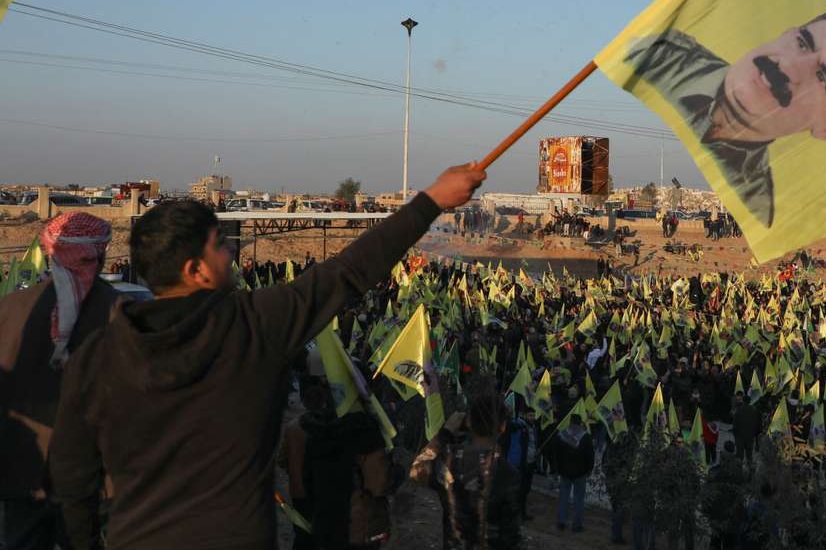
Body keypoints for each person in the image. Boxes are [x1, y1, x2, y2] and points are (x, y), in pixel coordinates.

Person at [48, 163, 485, 550]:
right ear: (194, 269)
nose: (232, 254)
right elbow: (350, 272)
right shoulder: (253, 326)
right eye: (220, 246)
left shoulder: (95, 357)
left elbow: (71, 477)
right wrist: (430, 201)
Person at [625, 7, 826, 227]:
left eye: (823, 79)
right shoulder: (660, 57)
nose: (787, 66)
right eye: (803, 42)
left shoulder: (755, 206)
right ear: (788, 32)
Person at [0, 213, 117, 550]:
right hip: (93, 477)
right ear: (101, 255)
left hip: (22, 470)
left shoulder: (10, 309)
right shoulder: (120, 313)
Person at [281, 376, 391, 550]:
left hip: (317, 518)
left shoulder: (304, 426)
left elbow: (286, 464)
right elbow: (378, 484)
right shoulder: (366, 432)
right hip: (355, 528)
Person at [411, 394, 524, 549]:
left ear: (468, 422)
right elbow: (511, 535)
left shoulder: (450, 460)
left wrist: (445, 433)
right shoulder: (508, 474)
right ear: (503, 427)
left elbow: (417, 470)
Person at [551, 414, 594, 532]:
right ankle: (577, 525)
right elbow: (590, 455)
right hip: (580, 473)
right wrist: (589, 469)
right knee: (579, 500)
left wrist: (556, 469)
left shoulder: (561, 435)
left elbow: (556, 454)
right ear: (580, 423)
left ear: (570, 422)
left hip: (564, 472)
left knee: (563, 497)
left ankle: (561, 522)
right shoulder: (585, 437)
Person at [733, 392, 762, 466]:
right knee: (749, 456)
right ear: (749, 401)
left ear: (743, 400)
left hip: (740, 436)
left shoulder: (738, 410)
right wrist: (756, 435)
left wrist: (735, 435)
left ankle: (739, 473)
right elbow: (758, 424)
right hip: (750, 436)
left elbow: (735, 424)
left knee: (740, 455)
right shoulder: (755, 411)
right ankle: (750, 473)